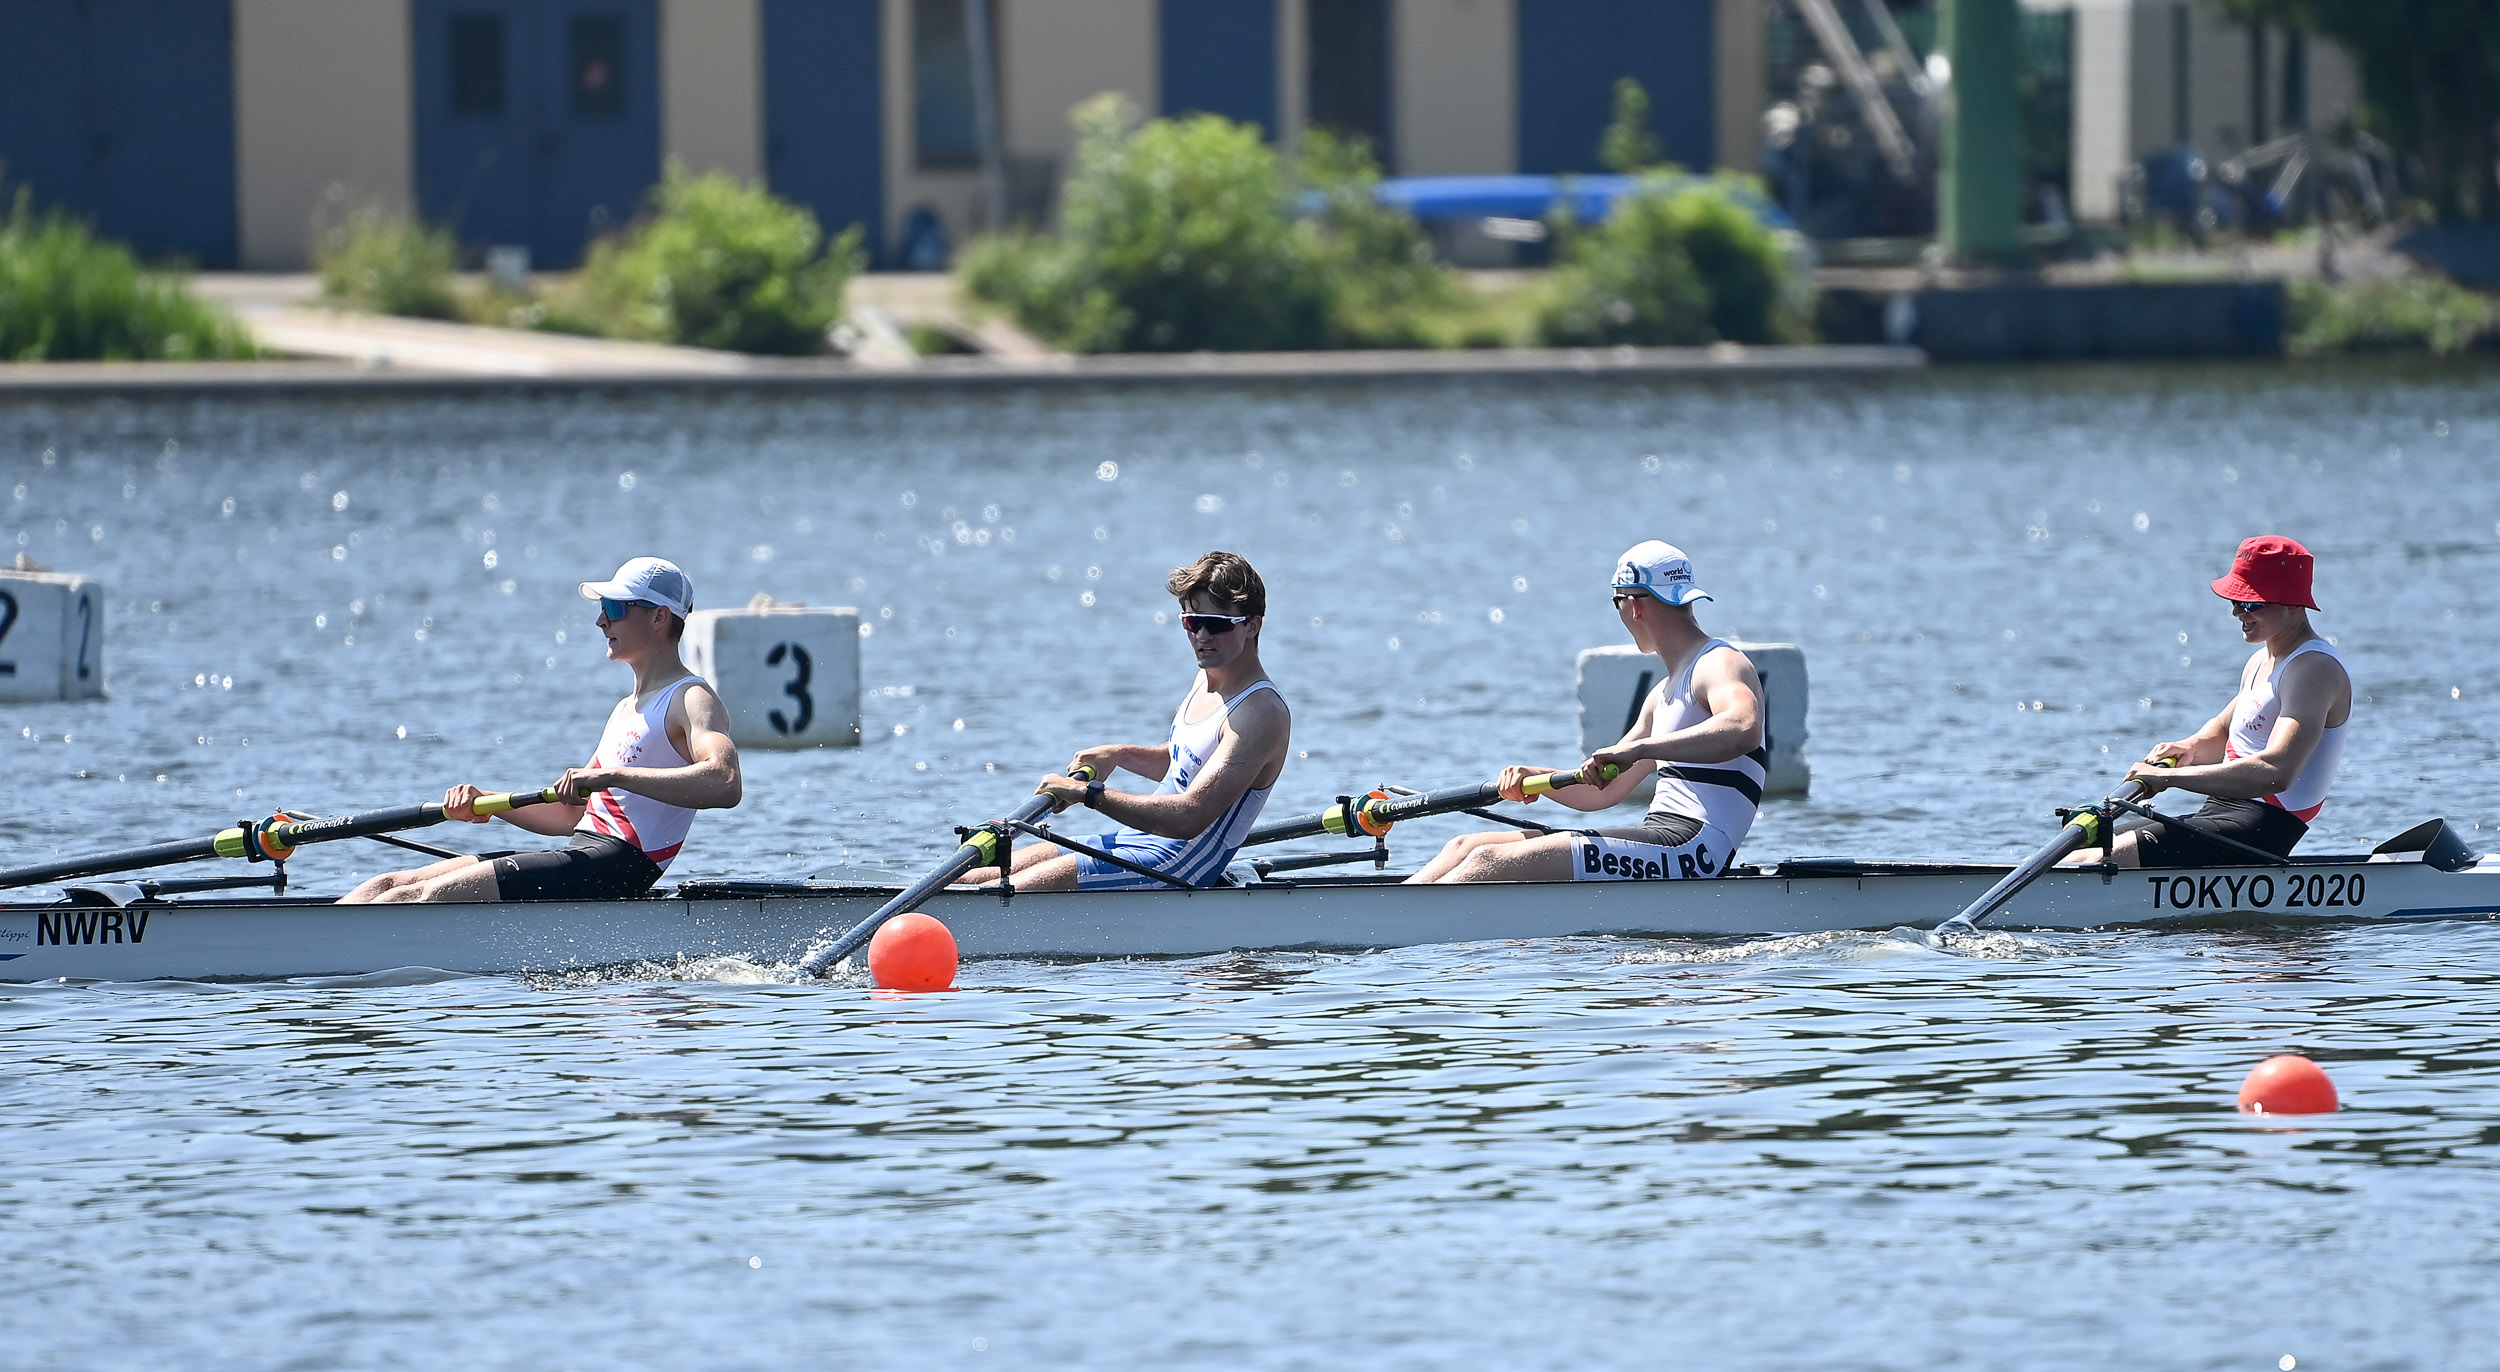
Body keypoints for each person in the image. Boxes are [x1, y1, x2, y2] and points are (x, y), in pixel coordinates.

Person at [339, 557, 743, 903]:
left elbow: (725, 782)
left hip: (620, 868)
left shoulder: (691, 699)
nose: (601, 620)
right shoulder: (626, 709)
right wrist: (490, 801)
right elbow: (572, 814)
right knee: (384, 884)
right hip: (584, 854)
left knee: (417, 898)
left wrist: (614, 776)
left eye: (615, 608)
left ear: (658, 617)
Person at [1408, 541, 1765, 885]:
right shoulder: (1661, 695)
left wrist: (1640, 749)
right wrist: (1537, 776)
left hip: (1694, 850)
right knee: (1466, 846)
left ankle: (1392, 925)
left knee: (1487, 862)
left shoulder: (1718, 662)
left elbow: (1743, 725)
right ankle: (1384, 912)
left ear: (1634, 606)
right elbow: (1601, 793)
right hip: (1663, 841)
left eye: (1616, 603)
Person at [959, 551, 1291, 892]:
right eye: (1191, 622)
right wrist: (1118, 755)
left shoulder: (1261, 713)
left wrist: (1086, 794)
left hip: (1177, 867)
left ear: (1252, 625)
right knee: (976, 878)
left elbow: (1191, 815)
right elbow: (1185, 762)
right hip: (1136, 841)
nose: (1201, 636)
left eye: (1216, 623)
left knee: (1011, 890)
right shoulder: (1208, 677)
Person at [2070, 535, 2351, 868]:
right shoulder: (2263, 661)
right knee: (2079, 853)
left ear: (2291, 603)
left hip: (2260, 830)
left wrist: (2166, 779)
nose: (2236, 612)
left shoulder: (2313, 670)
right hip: (2220, 813)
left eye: (2249, 603)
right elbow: (2223, 732)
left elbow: (2276, 772)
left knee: (2093, 864)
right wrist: (2187, 748)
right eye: (2234, 601)